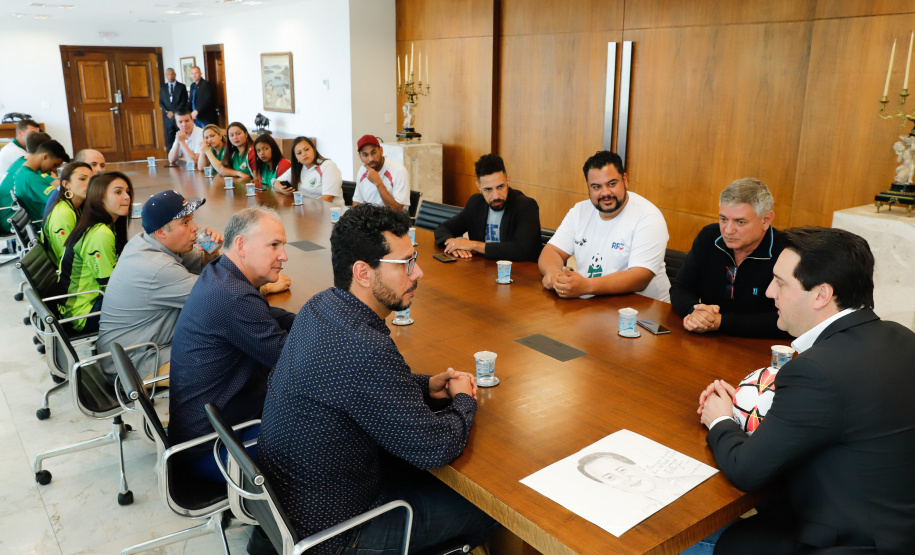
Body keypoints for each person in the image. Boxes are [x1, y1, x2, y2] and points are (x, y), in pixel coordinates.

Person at [258, 203, 497, 555]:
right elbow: (435, 447)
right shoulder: (364, 347)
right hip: (336, 535)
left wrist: (425, 385)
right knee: (489, 511)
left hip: (293, 510)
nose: (419, 274)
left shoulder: (320, 307)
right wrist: (464, 399)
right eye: (405, 264)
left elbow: (357, 387)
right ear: (363, 273)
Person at [697, 227, 915, 555]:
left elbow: (746, 470)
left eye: (781, 283)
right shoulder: (902, 337)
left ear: (821, 294)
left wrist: (720, 420)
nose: (770, 292)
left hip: (844, 542)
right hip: (897, 529)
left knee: (693, 542)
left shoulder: (816, 370)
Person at [168, 206, 293, 482]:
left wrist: (317, 321)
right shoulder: (234, 297)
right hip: (214, 450)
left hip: (209, 431)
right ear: (241, 245)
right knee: (335, 435)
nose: (283, 255)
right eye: (274, 245)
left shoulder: (221, 273)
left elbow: (272, 316)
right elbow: (296, 364)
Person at [97, 190, 224, 382]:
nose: (195, 228)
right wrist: (262, 285)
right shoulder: (157, 267)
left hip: (137, 349)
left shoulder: (145, 241)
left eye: (192, 220)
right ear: (161, 232)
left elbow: (200, 267)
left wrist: (210, 254)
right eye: (185, 222)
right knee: (231, 354)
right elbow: (218, 296)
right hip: (134, 365)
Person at [539, 150, 670, 301]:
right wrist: (554, 273)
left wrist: (586, 286)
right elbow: (552, 250)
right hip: (593, 306)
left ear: (625, 180)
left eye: (612, 184)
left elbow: (640, 277)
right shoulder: (580, 211)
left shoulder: (648, 217)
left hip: (645, 313)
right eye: (596, 187)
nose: (605, 193)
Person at [671, 178, 788, 338]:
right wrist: (695, 312)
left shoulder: (787, 252)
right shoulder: (709, 237)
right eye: (723, 219)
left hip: (758, 348)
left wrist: (721, 322)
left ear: (766, 220)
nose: (728, 230)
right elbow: (680, 287)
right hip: (707, 341)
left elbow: (788, 319)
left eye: (740, 222)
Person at [54, 172, 133, 334]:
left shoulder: (102, 226)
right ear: (100, 198)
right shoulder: (100, 234)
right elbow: (111, 285)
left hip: (85, 305)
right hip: (84, 314)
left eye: (127, 191)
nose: (127, 197)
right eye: (118, 192)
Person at [434, 153, 542, 262]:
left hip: (519, 273)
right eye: (488, 189)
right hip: (482, 270)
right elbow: (443, 228)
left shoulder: (526, 206)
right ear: (479, 187)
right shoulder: (475, 203)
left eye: (500, 187)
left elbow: (520, 250)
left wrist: (473, 245)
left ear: (507, 181)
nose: (496, 196)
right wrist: (453, 245)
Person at [42, 161, 93, 265]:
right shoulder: (63, 213)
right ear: (66, 184)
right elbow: (67, 257)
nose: (89, 184)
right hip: (69, 274)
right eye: (82, 179)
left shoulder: (77, 206)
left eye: (92, 180)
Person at [0, 131, 51, 233]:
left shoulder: (20, 161)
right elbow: (54, 191)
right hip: (15, 221)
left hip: (10, 217)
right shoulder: (30, 170)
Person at [13, 139, 69, 223]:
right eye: (55, 165)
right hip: (47, 224)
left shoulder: (21, 171)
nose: (54, 170)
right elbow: (61, 199)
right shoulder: (30, 178)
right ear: (45, 156)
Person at [275, 136, 343, 203]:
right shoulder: (297, 168)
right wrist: (282, 190)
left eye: (307, 149)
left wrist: (306, 209)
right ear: (296, 157)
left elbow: (328, 198)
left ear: (313, 149)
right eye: (299, 153)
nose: (304, 154)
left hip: (330, 211)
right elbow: (276, 183)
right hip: (307, 210)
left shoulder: (328, 166)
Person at [353, 134, 410, 211]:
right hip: (369, 220)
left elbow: (398, 210)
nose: (371, 159)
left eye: (373, 153)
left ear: (381, 151)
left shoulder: (399, 171)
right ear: (360, 156)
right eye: (365, 155)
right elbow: (357, 201)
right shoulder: (362, 170)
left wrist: (378, 183)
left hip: (393, 221)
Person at [159, 67, 188, 150]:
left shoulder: (181, 86)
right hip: (167, 118)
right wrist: (167, 112)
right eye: (168, 74)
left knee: (181, 136)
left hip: (178, 116)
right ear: (166, 75)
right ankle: (172, 157)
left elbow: (184, 101)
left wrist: (174, 112)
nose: (170, 76)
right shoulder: (163, 87)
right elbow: (161, 102)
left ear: (175, 75)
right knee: (170, 138)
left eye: (172, 74)